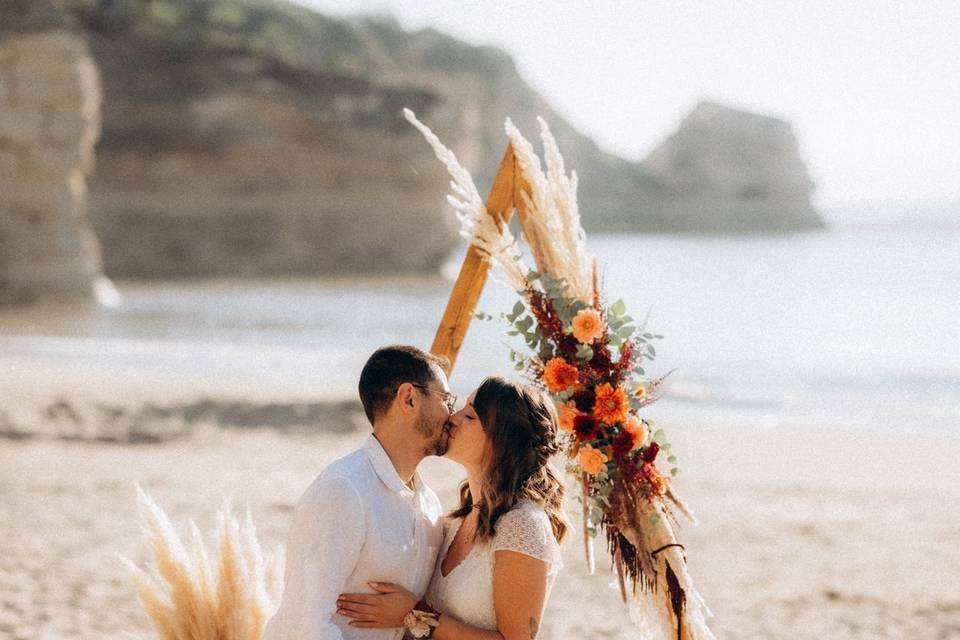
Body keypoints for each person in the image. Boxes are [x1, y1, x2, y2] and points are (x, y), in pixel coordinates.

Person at [336, 377, 568, 639]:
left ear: (502, 439)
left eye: (470, 416)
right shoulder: (453, 522)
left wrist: (414, 615)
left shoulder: (522, 524)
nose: (452, 418)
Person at [262, 345, 456, 640]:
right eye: (446, 399)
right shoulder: (343, 491)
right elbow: (305, 625)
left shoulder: (430, 504)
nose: (452, 414)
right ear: (409, 398)